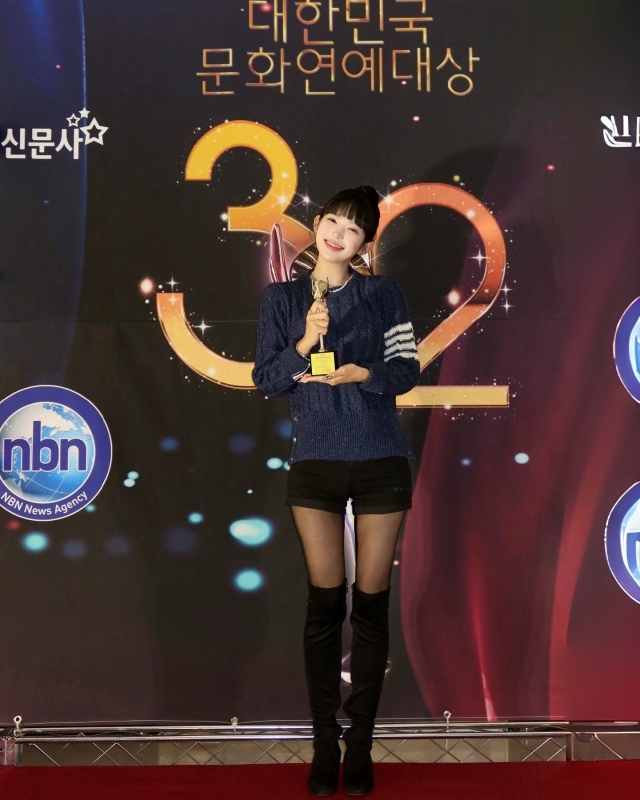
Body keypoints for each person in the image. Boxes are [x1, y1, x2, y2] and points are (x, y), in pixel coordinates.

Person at [252, 186, 420, 796]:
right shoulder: (283, 298)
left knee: (370, 604)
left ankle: (360, 746)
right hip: (316, 463)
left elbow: (407, 368)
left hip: (379, 459)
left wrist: (365, 373)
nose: (337, 234)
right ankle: (324, 744)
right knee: (325, 604)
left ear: (364, 244)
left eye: (352, 229)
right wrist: (304, 343)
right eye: (331, 222)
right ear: (316, 224)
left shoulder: (383, 294)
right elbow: (267, 379)